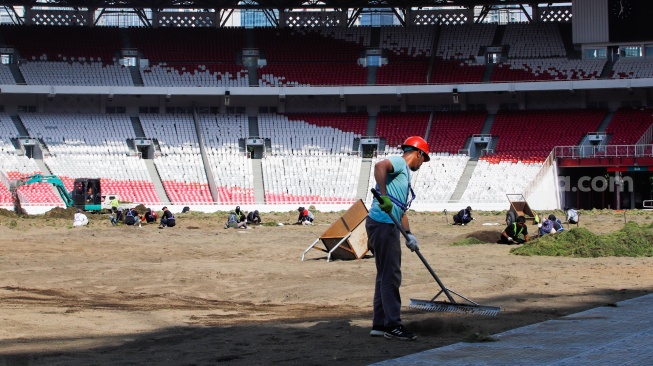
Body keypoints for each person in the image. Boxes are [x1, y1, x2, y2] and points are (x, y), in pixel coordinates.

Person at [366, 135, 430, 341]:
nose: (422, 164)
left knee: (384, 275)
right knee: (391, 276)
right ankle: (393, 325)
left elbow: (400, 211)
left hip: (386, 224)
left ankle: (380, 323)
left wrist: (409, 235)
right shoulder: (399, 162)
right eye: (424, 159)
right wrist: (383, 195)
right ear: (418, 153)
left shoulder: (404, 178)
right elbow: (379, 166)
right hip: (383, 225)